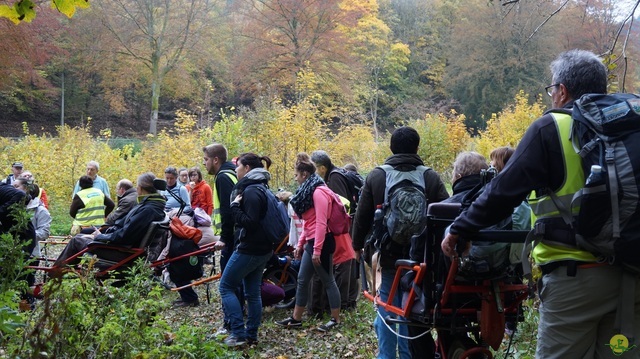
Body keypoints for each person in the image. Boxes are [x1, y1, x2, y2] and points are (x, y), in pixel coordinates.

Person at [440, 50, 628, 358]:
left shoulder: (552, 127)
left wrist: (460, 228)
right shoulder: (629, 128)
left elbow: (503, 192)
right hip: (632, 274)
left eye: (552, 89)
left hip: (575, 279)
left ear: (562, 90)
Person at [352, 126, 449, 359]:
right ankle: (407, 355)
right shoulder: (430, 176)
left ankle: (386, 356)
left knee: (387, 304)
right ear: (417, 147)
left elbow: (362, 215)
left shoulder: (377, 175)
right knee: (410, 306)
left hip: (388, 254)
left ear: (391, 148)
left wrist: (357, 246)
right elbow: (447, 213)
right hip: (421, 256)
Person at [275, 152, 343, 333]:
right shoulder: (308, 191)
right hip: (312, 242)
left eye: (296, 175)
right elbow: (308, 222)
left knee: (328, 280)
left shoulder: (319, 191)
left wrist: (317, 251)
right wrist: (301, 244)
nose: (295, 179)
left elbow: (321, 223)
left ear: (304, 175)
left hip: (322, 242)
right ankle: (296, 319)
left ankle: (335, 319)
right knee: (303, 279)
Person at [218, 153, 275, 346]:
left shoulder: (251, 192)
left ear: (247, 169)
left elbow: (250, 223)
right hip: (263, 249)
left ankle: (238, 334)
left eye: (238, 166)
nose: (236, 170)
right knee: (252, 292)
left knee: (225, 287)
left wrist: (234, 207)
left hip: (250, 249)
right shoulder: (262, 187)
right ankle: (251, 335)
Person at [54, 172, 167, 267]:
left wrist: (100, 237)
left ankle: (54, 275)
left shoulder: (147, 210)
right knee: (82, 237)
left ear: (141, 188)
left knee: (76, 240)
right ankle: (64, 272)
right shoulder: (153, 206)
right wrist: (103, 233)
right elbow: (125, 229)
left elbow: (124, 236)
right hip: (128, 249)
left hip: (124, 253)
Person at [310, 150, 358, 313]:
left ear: (322, 168)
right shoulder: (336, 175)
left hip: (342, 228)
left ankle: (343, 303)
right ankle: (347, 301)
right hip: (345, 226)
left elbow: (341, 204)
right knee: (346, 261)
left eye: (314, 168)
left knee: (343, 263)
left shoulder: (335, 178)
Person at [204, 143, 238, 336]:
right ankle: (235, 321)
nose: (205, 164)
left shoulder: (223, 178)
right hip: (238, 236)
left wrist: (224, 237)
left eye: (206, 160)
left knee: (227, 283)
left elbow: (226, 210)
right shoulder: (232, 172)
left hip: (231, 238)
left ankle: (230, 325)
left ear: (215, 160)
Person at [13, 179, 51, 258]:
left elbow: (44, 232)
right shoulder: (12, 207)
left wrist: (23, 236)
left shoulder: (41, 210)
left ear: (26, 189)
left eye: (16, 186)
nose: (12, 189)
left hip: (30, 255)